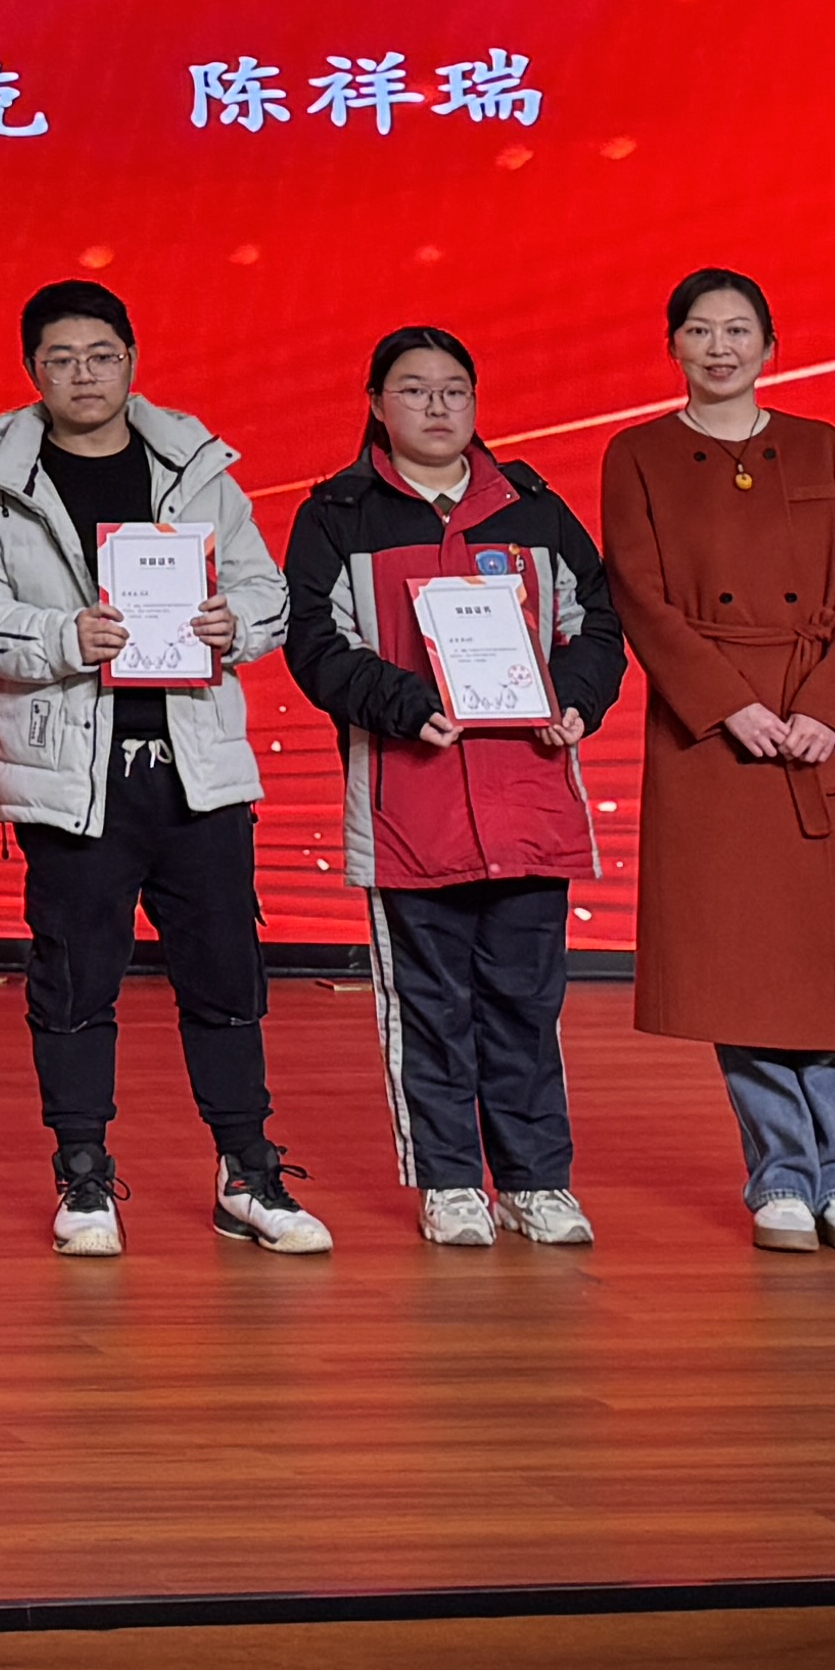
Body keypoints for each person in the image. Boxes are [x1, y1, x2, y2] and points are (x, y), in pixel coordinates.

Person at [0, 280, 326, 1260]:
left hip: (197, 769)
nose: (84, 375)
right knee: (75, 981)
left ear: (132, 362)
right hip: (74, 775)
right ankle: (82, 1174)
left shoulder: (198, 470)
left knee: (226, 974)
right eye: (62, 359)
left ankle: (246, 1171)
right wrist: (64, 635)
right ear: (32, 372)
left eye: (102, 355)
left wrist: (237, 623)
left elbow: (268, 592)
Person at [600, 267, 835, 1255]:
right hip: (715, 738)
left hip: (826, 733)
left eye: (737, 330)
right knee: (745, 964)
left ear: (770, 344)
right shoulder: (637, 454)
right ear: (672, 345)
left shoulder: (824, 446)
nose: (719, 347)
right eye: (699, 330)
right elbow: (639, 595)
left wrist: (828, 709)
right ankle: (781, 1180)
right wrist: (730, 706)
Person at [283, 325, 628, 1249]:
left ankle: (535, 1181)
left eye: (453, 391)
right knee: (430, 1009)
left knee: (527, 1006)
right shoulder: (338, 516)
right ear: (375, 404)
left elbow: (596, 624)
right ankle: (448, 1181)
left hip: (529, 799)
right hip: (410, 805)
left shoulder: (533, 507)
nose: (436, 407)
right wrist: (406, 705)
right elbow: (315, 646)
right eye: (413, 389)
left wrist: (574, 701)